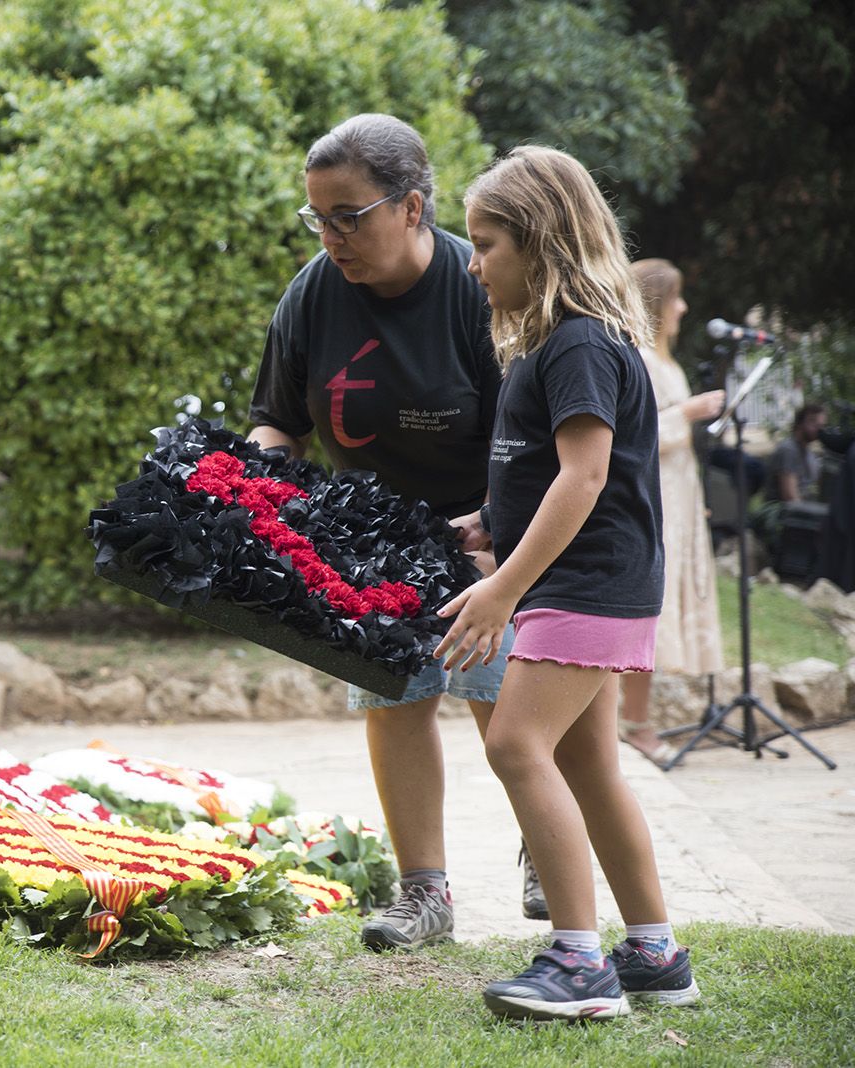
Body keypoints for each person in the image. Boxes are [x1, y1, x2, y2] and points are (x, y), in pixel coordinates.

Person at [246, 113, 523, 951]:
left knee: (503, 701)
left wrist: (500, 539)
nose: (331, 237)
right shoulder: (313, 292)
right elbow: (276, 422)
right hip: (374, 541)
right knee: (396, 703)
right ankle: (423, 895)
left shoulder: (479, 288)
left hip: (491, 534)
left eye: (348, 216)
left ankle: (548, 852)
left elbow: (534, 433)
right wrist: (261, 500)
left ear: (410, 207)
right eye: (317, 218)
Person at [439, 145, 699, 1021]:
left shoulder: (581, 341)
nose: (472, 263)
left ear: (542, 242)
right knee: (590, 767)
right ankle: (655, 955)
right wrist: (489, 520)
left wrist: (502, 587)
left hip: (584, 587)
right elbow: (549, 470)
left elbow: (585, 478)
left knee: (515, 745)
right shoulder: (556, 344)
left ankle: (580, 964)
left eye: (486, 244)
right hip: (587, 582)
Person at [617, 259, 726, 765]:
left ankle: (639, 717)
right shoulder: (638, 356)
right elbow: (635, 435)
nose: (683, 307)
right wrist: (688, 412)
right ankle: (633, 721)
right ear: (658, 302)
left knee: (666, 605)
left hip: (679, 495)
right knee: (649, 608)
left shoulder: (668, 361)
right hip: (654, 497)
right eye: (676, 297)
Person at [765, 403, 828, 503]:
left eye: (821, 426)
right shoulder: (788, 450)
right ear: (799, 423)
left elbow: (822, 485)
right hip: (781, 513)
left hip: (802, 511)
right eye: (814, 423)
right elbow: (790, 498)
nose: (819, 430)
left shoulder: (809, 454)